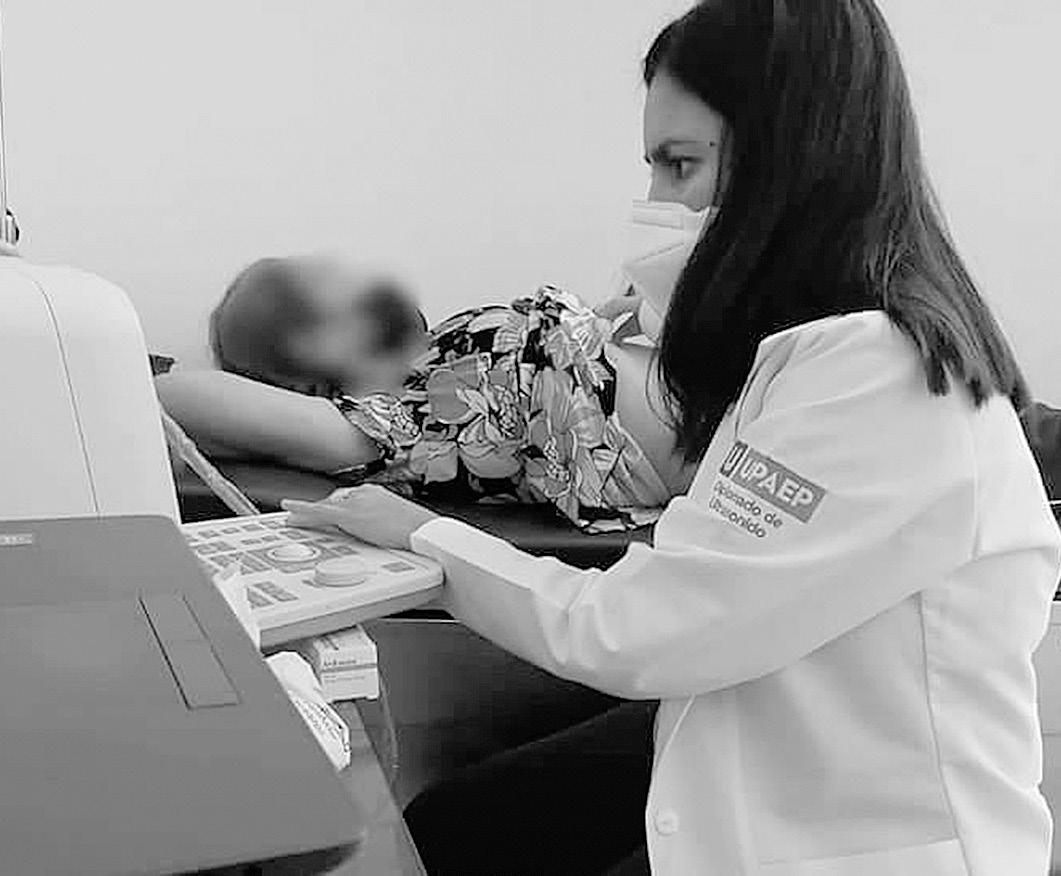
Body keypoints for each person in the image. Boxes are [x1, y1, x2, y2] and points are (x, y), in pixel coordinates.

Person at [277, 1, 1061, 874]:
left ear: (791, 159)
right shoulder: (802, 355)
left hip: (852, 836)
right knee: (463, 824)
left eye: (679, 164)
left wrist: (423, 536)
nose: (656, 205)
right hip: (750, 725)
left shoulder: (875, 374)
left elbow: (644, 628)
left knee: (461, 834)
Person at [158, 255, 692, 531]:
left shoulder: (434, 354)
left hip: (702, 374)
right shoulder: (390, 425)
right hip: (704, 438)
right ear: (303, 371)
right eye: (326, 290)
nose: (359, 280)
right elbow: (171, 396)